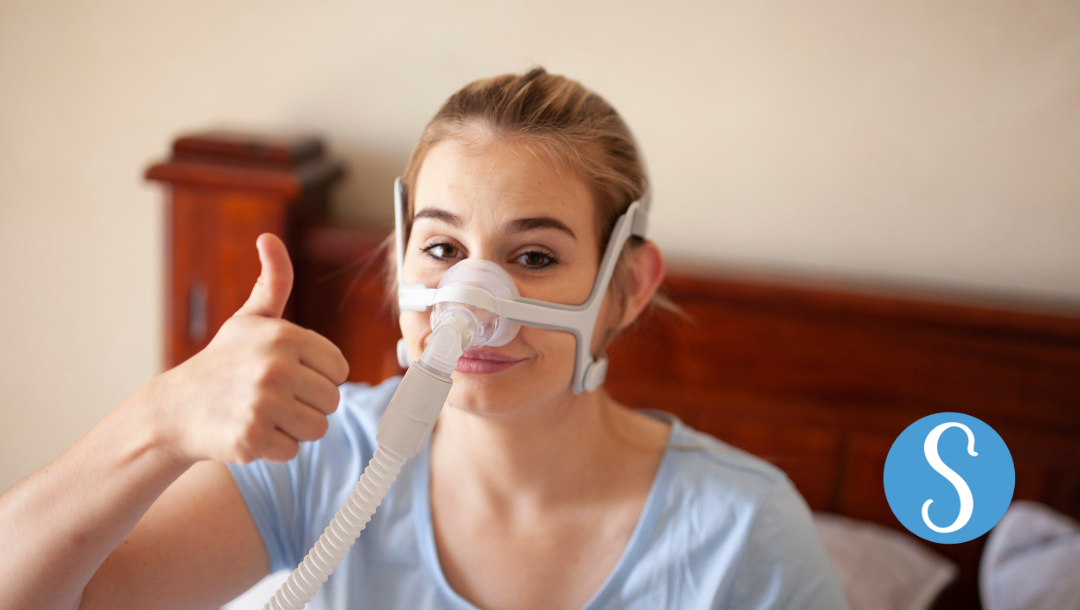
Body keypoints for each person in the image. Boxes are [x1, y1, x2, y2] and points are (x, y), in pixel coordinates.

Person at [0, 68, 847, 610]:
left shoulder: (742, 536)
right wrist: (157, 421)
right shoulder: (320, 461)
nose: (473, 298)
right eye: (442, 248)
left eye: (536, 256)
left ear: (628, 286)